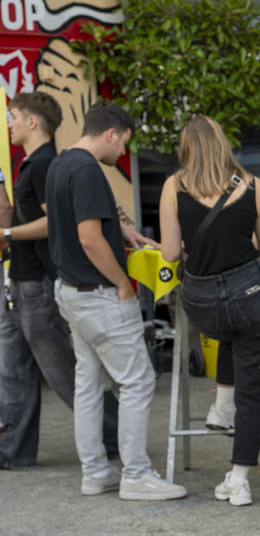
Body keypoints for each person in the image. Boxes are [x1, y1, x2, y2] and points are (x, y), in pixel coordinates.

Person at [47, 102, 187, 500]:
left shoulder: (63, 163)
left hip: (71, 291)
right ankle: (136, 475)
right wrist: (122, 283)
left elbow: (83, 221)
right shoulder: (89, 170)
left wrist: (124, 231)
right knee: (138, 381)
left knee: (88, 383)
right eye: (124, 142)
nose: (123, 152)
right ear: (111, 132)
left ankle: (96, 472)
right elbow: (90, 238)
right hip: (100, 295)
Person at [157, 116, 260, 506]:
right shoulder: (253, 185)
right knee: (253, 380)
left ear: (186, 147)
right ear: (223, 144)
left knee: (230, 326)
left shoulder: (173, 187)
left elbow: (171, 253)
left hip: (203, 303)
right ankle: (239, 480)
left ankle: (223, 405)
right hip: (251, 294)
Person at [0, 90, 119, 468]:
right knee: (13, 373)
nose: (8, 124)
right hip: (20, 283)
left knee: (66, 374)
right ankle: (13, 453)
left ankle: (117, 435)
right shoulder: (33, 162)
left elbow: (56, 222)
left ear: (32, 121)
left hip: (37, 284)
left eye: (13, 116)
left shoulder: (46, 164)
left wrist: (7, 235)